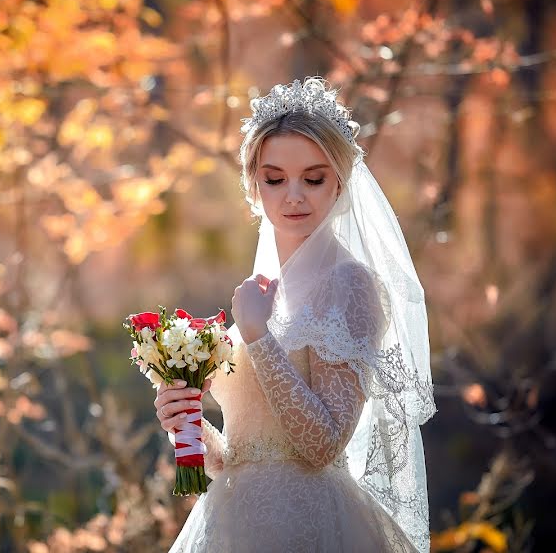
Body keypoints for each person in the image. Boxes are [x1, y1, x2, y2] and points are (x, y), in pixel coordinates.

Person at [153, 77, 436, 552]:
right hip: (231, 525)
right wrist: (185, 421)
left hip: (310, 526)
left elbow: (322, 445)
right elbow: (234, 458)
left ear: (339, 181)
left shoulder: (349, 284)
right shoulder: (262, 290)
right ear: (253, 183)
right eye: (275, 178)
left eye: (313, 177)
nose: (294, 196)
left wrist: (258, 337)